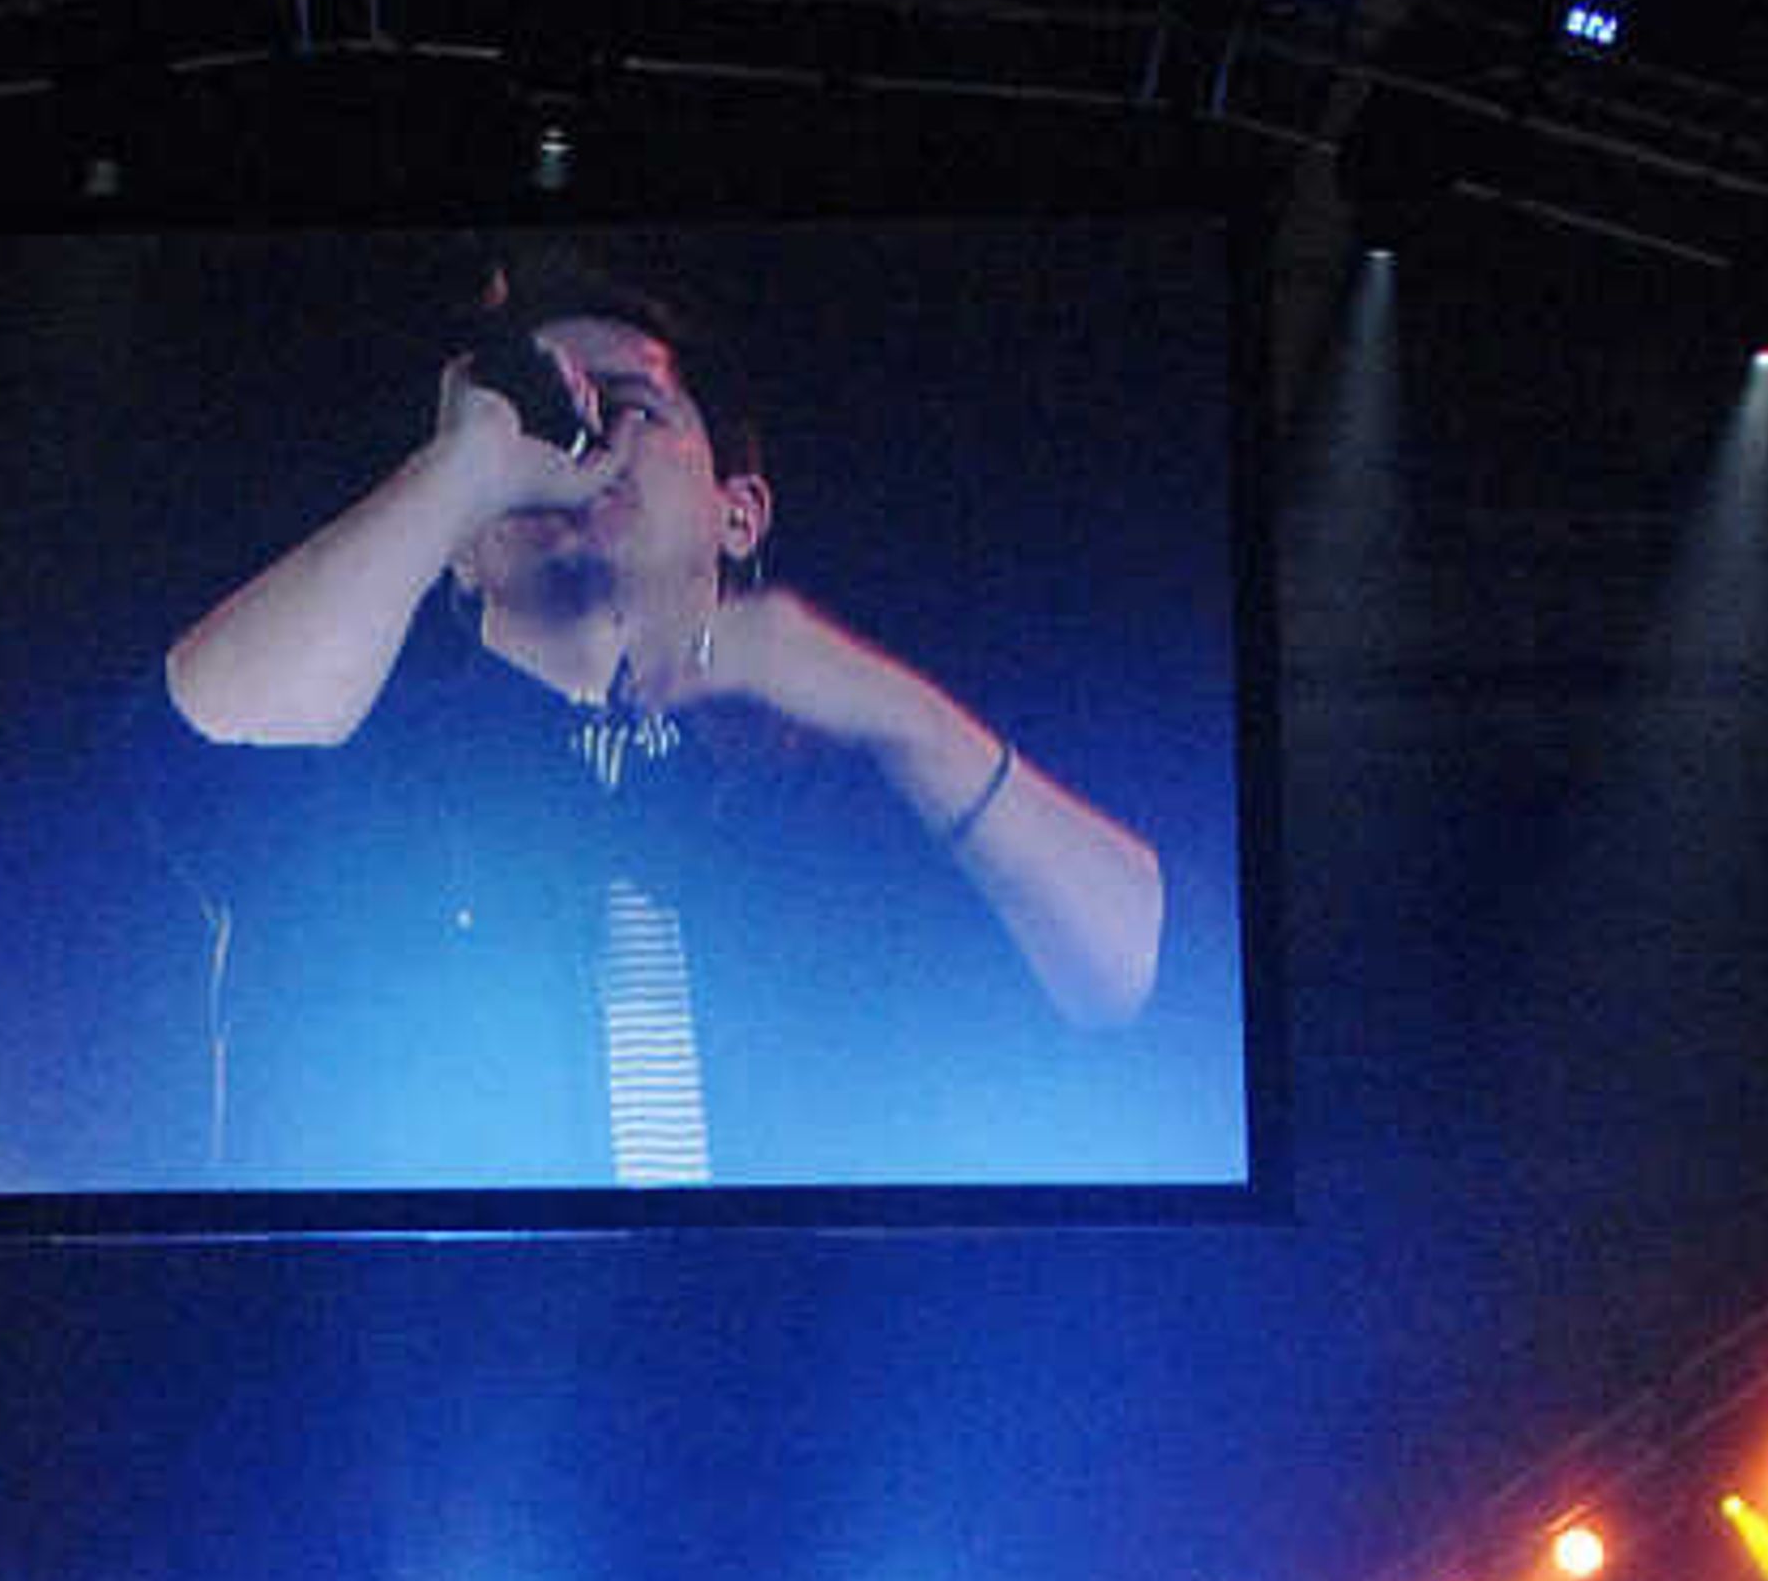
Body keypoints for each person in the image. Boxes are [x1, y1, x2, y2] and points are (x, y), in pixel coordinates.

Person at [151, 260, 1162, 1190]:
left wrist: (903, 718)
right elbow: (190, 757)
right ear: (457, 554)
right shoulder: (374, 763)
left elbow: (1142, 974)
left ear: (740, 514)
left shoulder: (842, 794)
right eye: (549, 414)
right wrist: (467, 467)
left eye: (630, 404)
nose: (584, 441)